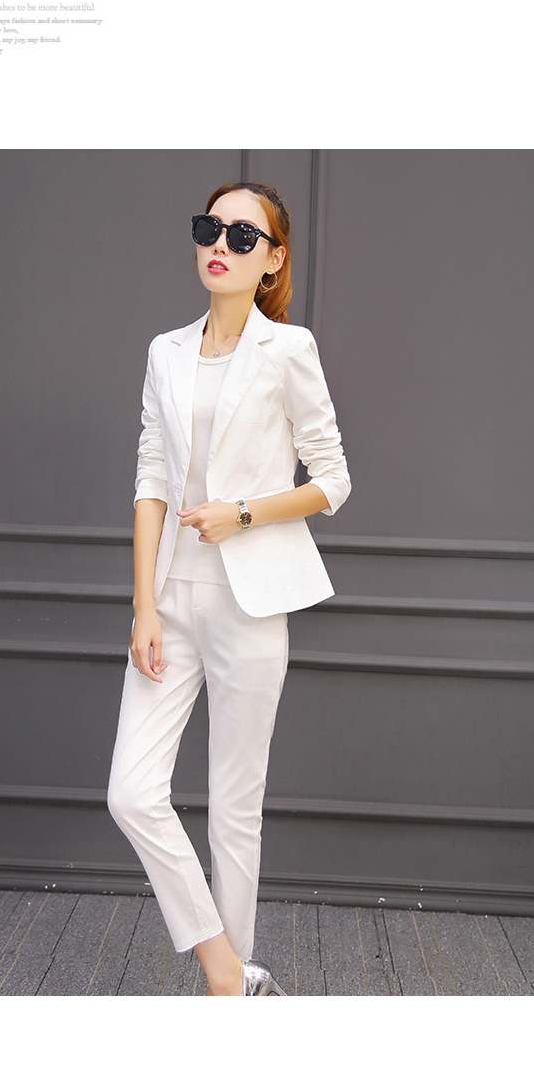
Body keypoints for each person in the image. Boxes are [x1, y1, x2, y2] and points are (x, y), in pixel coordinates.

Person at [107, 185, 350, 995]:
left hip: (250, 600)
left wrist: (241, 512)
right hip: (170, 598)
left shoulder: (288, 349)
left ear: (273, 259)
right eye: (210, 228)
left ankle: (228, 1000)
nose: (221, 244)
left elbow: (333, 480)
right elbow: (150, 479)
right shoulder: (165, 351)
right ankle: (229, 970)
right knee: (132, 792)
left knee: (234, 810)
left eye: (244, 236)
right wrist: (144, 604)